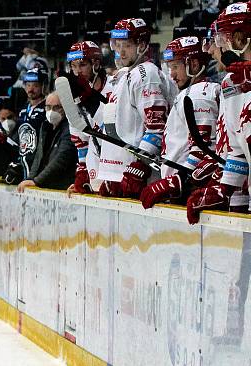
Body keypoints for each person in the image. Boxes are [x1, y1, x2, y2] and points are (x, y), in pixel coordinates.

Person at [97, 18, 177, 199]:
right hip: (122, 174)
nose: (121, 52)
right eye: (118, 45)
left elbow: (157, 127)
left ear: (141, 45)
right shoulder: (126, 75)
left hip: (141, 178)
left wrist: (139, 167)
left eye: (127, 45)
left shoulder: (146, 74)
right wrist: (112, 173)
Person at [186, 2, 251, 223]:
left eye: (223, 38)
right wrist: (223, 188)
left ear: (241, 38)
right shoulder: (234, 83)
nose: (217, 47)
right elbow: (238, 150)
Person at [140, 36, 220, 209]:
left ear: (194, 65)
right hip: (184, 188)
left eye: (176, 66)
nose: (172, 74)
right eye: (170, 67)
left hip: (190, 190)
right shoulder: (192, 92)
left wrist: (177, 181)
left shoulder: (198, 95)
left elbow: (203, 150)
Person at [63, 41, 110, 195]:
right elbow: (81, 140)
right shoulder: (73, 96)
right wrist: (82, 169)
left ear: (95, 63)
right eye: (73, 66)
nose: (77, 72)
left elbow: (118, 132)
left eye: (82, 65)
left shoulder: (116, 87)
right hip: (95, 169)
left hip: (119, 167)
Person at [17, 92, 77, 192]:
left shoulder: (70, 128)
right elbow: (38, 157)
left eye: (56, 107)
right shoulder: (45, 126)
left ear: (65, 108)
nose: (51, 111)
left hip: (62, 186)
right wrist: (30, 179)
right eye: (48, 107)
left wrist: (37, 181)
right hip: (45, 184)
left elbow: (61, 159)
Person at [5, 66, 48, 184]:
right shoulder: (24, 110)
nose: (31, 89)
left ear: (43, 87)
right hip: (24, 161)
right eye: (28, 85)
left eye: (35, 85)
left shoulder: (47, 107)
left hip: (39, 162)